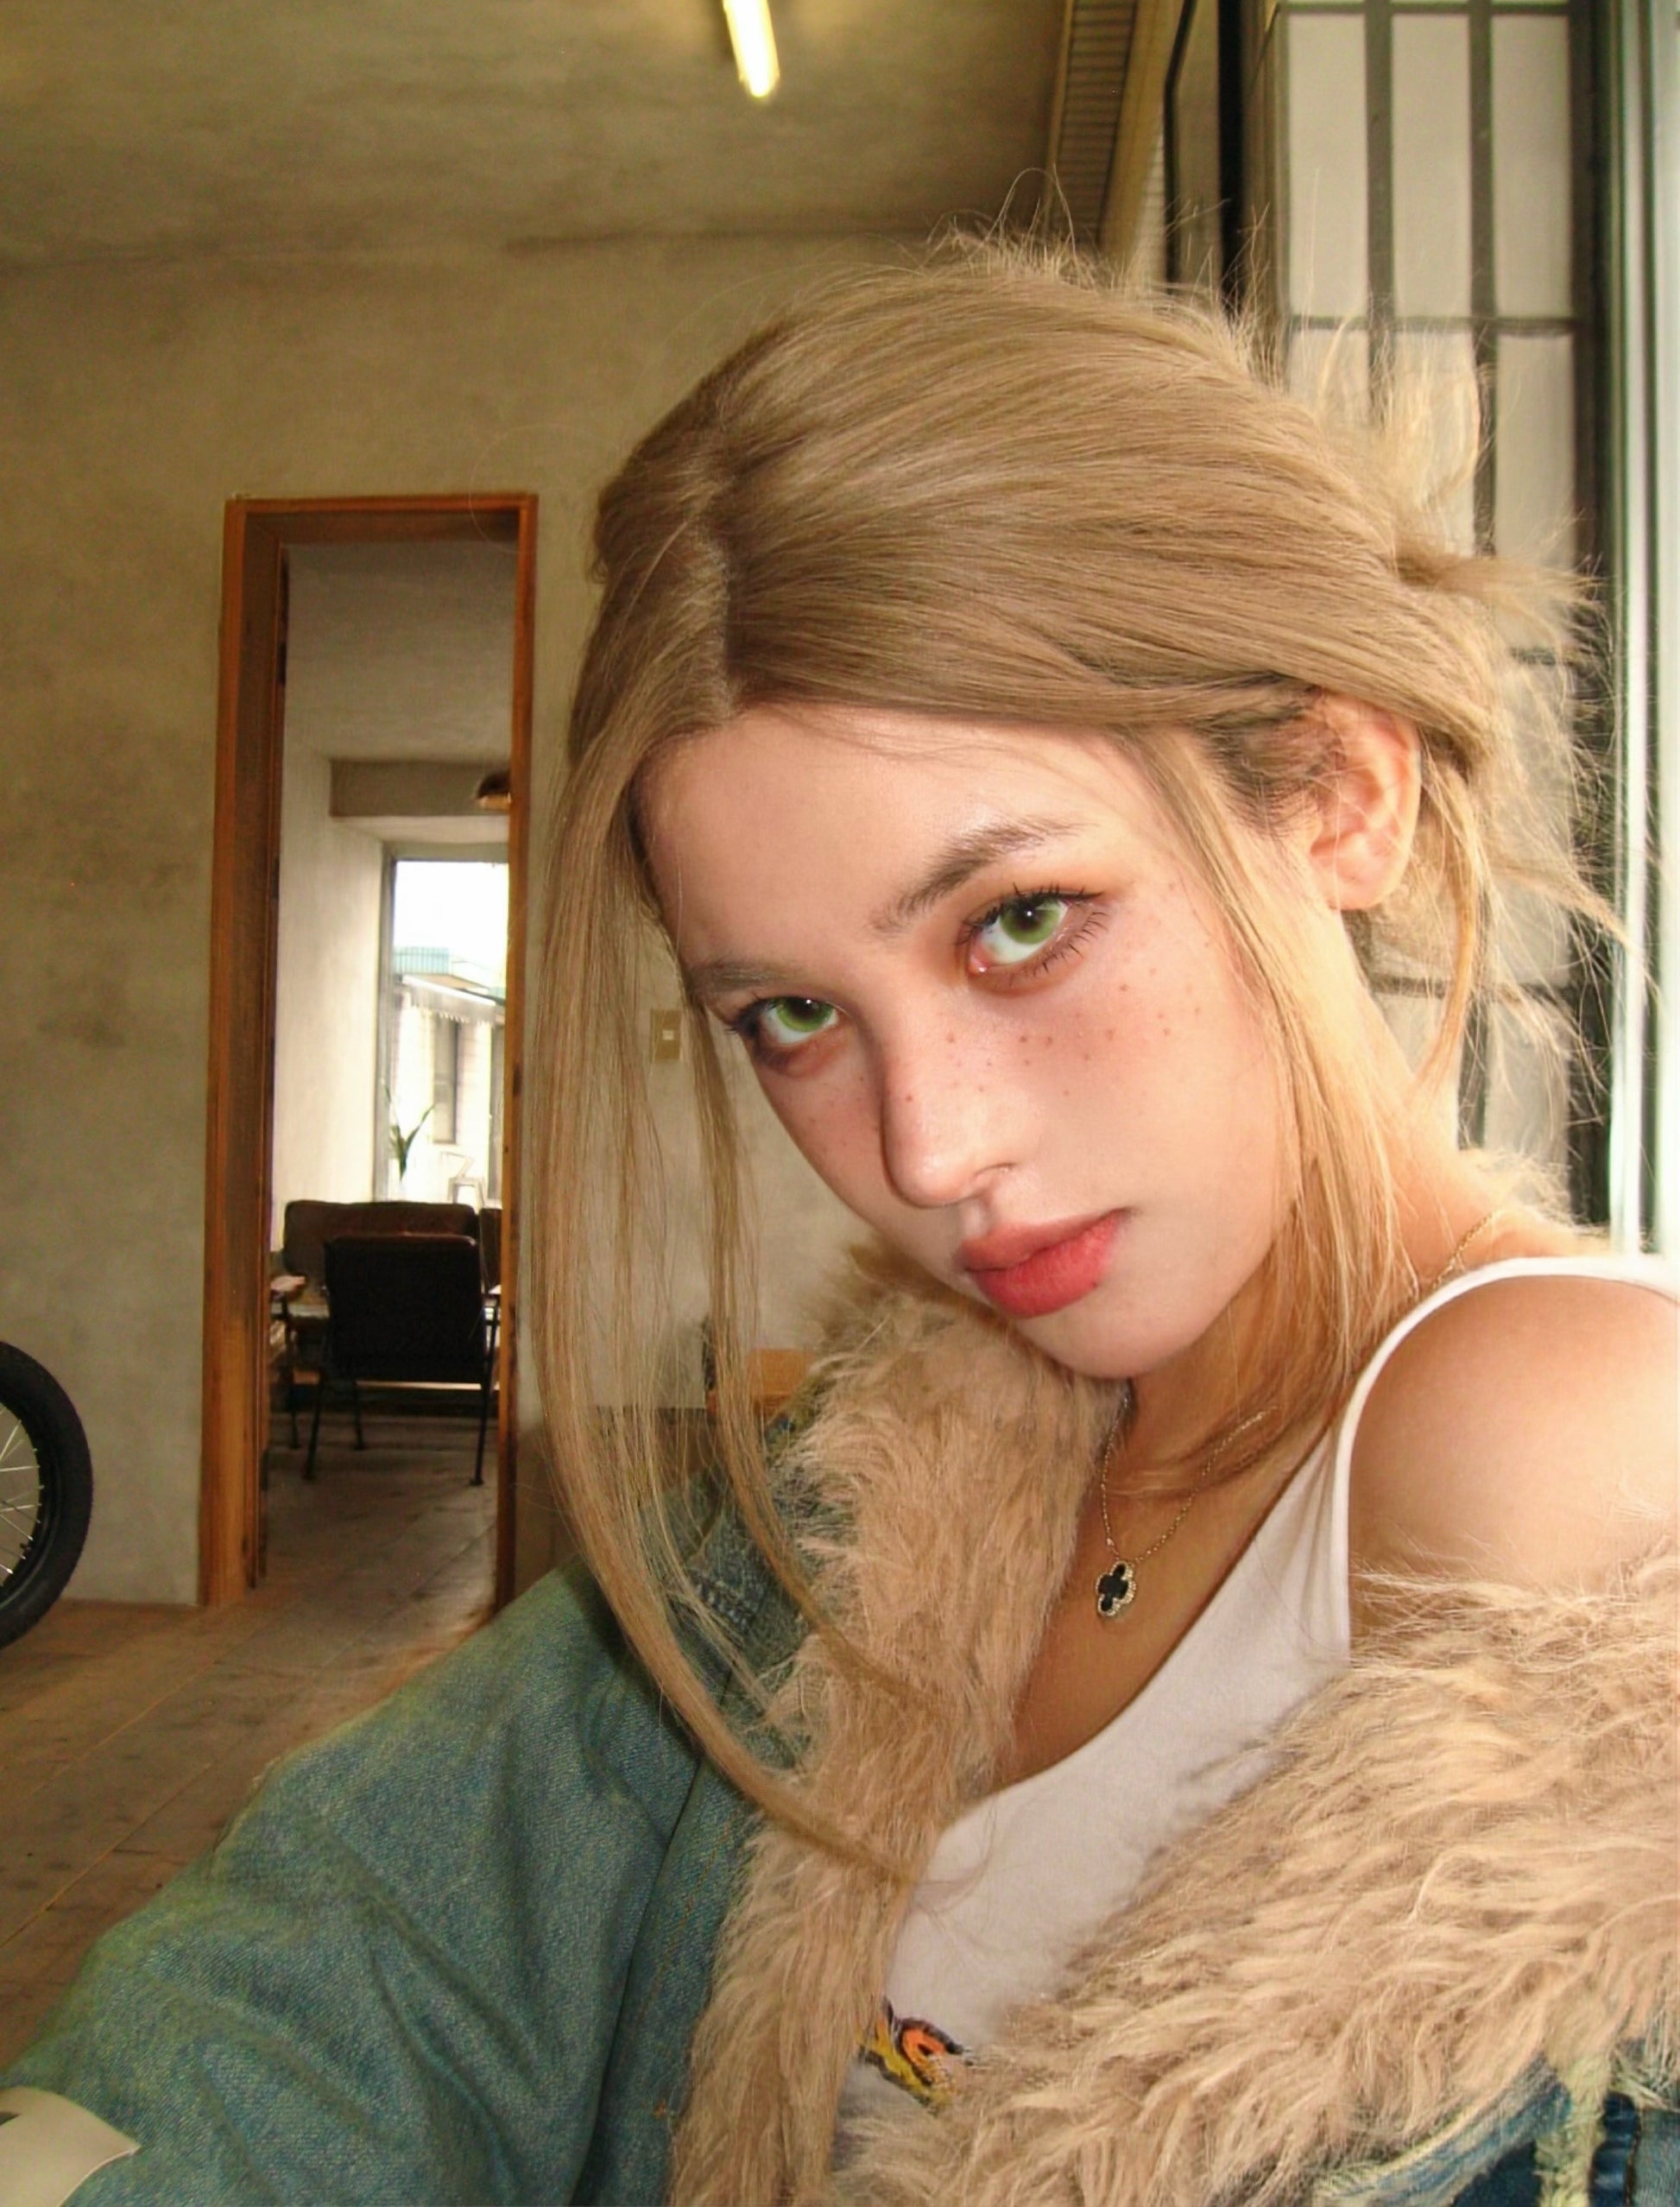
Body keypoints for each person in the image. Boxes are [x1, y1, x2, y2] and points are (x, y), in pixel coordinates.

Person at [3, 248, 1674, 2207]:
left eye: (1020, 920)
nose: (929, 1146)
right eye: (791, 1015)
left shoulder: (1549, 1423)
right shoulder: (881, 1474)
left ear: (1337, 793)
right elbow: (364, 1928)